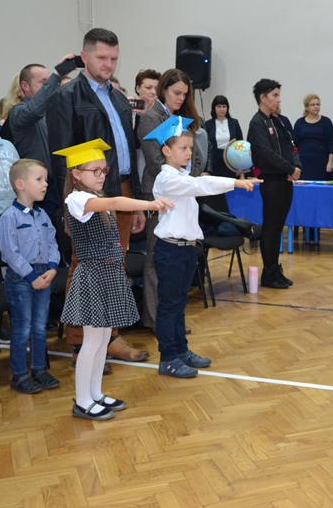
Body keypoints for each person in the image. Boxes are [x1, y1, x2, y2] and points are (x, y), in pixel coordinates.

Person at [46, 28, 150, 366]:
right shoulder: (66, 96)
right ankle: (81, 344)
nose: (108, 64)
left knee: (115, 266)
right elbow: (60, 157)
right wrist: (69, 207)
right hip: (87, 196)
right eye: (102, 57)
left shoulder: (118, 98)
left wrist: (136, 199)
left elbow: (128, 150)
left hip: (121, 188)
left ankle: (110, 338)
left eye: (114, 58)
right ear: (84, 56)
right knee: (86, 266)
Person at [53, 139, 172, 420]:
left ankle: (95, 393)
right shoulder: (77, 200)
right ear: (76, 174)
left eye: (104, 170)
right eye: (94, 171)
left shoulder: (95, 197)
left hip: (108, 273)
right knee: (92, 339)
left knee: (104, 337)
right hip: (93, 274)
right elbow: (117, 201)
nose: (101, 175)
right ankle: (82, 401)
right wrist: (149, 203)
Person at [145, 117, 259, 378]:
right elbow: (199, 186)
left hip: (186, 249)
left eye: (190, 148)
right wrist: (235, 182)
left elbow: (195, 185)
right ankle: (168, 358)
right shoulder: (166, 179)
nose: (189, 153)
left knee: (180, 303)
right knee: (168, 306)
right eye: (183, 148)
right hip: (170, 250)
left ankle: (181, 351)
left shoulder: (182, 176)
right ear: (166, 151)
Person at [136, 69, 210, 331]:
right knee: (158, 258)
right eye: (176, 92)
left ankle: (173, 318)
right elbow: (156, 161)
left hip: (184, 194)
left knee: (179, 261)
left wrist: (191, 181)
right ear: (163, 90)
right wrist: (185, 182)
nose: (181, 98)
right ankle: (156, 319)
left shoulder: (181, 119)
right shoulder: (150, 118)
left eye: (184, 94)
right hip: (160, 195)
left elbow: (195, 157)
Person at [0, 159, 61, 394]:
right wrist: (32, 276)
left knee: (40, 327)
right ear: (20, 184)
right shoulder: (9, 217)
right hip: (22, 278)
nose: (45, 184)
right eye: (39, 179)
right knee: (22, 328)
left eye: (46, 180)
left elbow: (52, 242)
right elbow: (10, 253)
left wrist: (52, 268)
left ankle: (39, 370)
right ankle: (19, 375)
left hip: (45, 275)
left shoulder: (42, 215)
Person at [247, 78, 301, 289]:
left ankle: (275, 268)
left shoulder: (277, 121)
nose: (278, 100)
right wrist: (289, 168)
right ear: (263, 97)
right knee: (270, 226)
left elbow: (291, 145)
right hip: (271, 180)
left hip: (285, 179)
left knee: (278, 225)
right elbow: (266, 153)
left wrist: (296, 167)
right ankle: (268, 272)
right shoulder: (257, 122)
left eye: (279, 95)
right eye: (274, 95)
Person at [6, 60, 72, 217]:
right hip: (37, 191)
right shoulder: (18, 112)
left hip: (59, 186)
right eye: (44, 83)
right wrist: (57, 75)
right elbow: (34, 110)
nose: (52, 87)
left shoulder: (53, 113)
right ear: (25, 86)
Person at [294, 93, 333, 181]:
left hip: (322, 162)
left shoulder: (326, 122)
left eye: (318, 104)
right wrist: (295, 164)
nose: (316, 107)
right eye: (312, 105)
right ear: (306, 107)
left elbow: (331, 144)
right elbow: (295, 145)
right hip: (303, 162)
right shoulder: (299, 123)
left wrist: (330, 163)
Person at [203, 95, 243, 180]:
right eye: (219, 106)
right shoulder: (208, 124)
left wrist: (240, 166)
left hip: (231, 160)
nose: (222, 109)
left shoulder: (234, 123)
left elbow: (240, 144)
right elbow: (206, 147)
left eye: (224, 106)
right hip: (215, 162)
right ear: (214, 108)